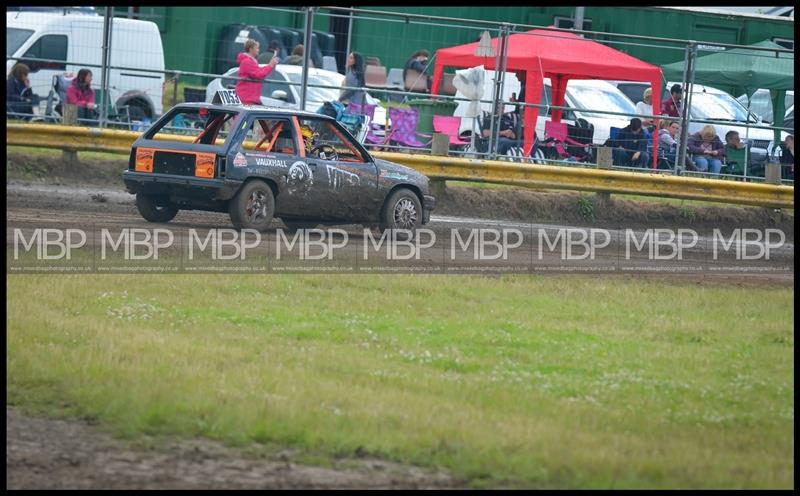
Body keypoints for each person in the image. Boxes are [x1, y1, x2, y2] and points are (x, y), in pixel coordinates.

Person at [235, 38, 279, 105]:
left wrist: (270, 64)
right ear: (251, 49)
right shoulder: (247, 61)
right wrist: (270, 65)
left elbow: (258, 71)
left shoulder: (250, 61)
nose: (258, 50)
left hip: (248, 97)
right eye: (257, 48)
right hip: (246, 97)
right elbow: (259, 74)